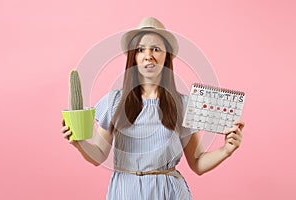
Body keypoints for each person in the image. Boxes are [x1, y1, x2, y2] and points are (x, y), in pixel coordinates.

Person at [61, 17, 245, 200]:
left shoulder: (182, 105)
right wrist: (79, 143)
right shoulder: (114, 101)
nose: (148, 55)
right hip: (125, 192)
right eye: (141, 50)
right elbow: (99, 154)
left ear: (166, 56)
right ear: (134, 57)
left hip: (168, 193)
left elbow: (197, 163)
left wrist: (226, 150)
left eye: (156, 49)